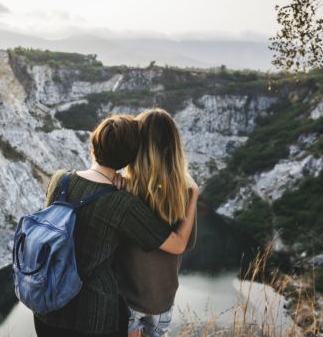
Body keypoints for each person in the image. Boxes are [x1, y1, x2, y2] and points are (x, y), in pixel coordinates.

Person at [33, 114, 199, 337]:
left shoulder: (60, 180)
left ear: (93, 143)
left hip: (46, 304)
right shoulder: (123, 202)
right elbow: (179, 244)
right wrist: (193, 194)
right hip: (94, 316)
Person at [115, 108, 198, 337]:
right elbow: (186, 243)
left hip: (128, 297)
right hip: (162, 299)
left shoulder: (124, 187)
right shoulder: (184, 192)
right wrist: (194, 196)